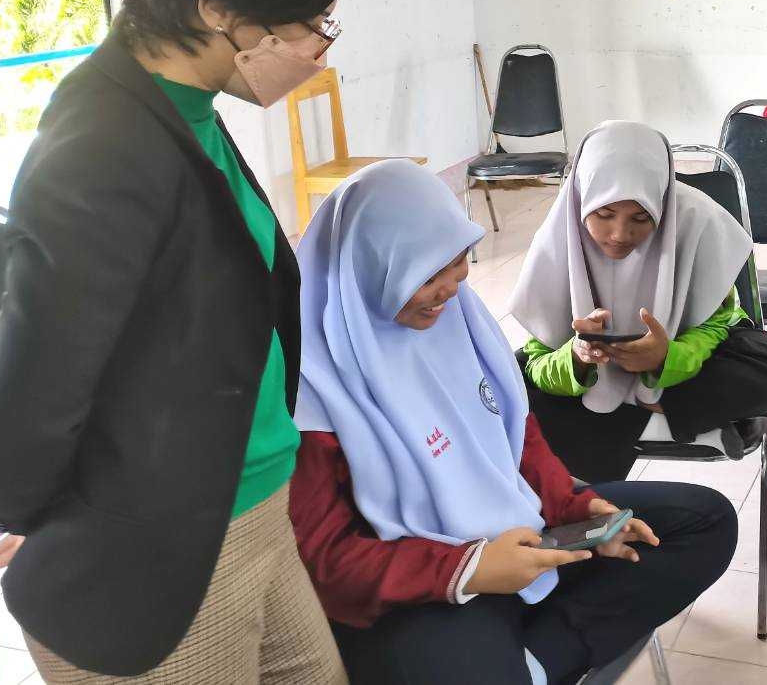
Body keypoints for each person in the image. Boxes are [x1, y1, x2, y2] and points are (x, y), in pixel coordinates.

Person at [0, 0, 353, 681]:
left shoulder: (188, 112)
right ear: (218, 9)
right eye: (310, 23)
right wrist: (42, 519)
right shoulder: (102, 143)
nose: (317, 48)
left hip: (250, 498)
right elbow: (39, 372)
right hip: (162, 543)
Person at [288, 160, 736, 684]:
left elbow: (517, 441)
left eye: (458, 262)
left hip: (519, 535)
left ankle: (541, 658)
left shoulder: (459, 324)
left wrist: (578, 511)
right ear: (365, 271)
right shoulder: (313, 390)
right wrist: (469, 569)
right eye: (427, 275)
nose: (451, 289)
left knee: (704, 521)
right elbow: (324, 562)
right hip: (422, 583)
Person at [505, 120, 767, 482]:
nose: (620, 234)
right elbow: (540, 355)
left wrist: (667, 357)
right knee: (503, 383)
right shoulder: (561, 231)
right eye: (604, 214)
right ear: (582, 198)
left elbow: (718, 323)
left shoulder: (696, 219)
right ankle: (669, 413)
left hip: (681, 365)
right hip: (593, 377)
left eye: (641, 217)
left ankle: (635, 408)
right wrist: (578, 357)